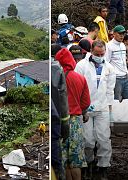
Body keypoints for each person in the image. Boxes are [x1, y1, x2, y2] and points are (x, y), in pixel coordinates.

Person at [75, 40, 116, 180]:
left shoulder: (109, 68)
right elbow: (77, 87)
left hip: (102, 107)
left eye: (102, 53)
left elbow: (110, 91)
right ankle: (88, 163)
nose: (99, 56)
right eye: (97, 53)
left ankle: (103, 165)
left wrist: (110, 112)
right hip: (86, 108)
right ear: (91, 51)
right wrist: (82, 107)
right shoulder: (81, 66)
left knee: (103, 138)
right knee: (87, 140)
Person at [55, 48, 91, 180]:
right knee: (75, 160)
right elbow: (86, 102)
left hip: (59, 122)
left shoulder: (56, 78)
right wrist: (81, 111)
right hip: (75, 122)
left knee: (63, 160)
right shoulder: (80, 78)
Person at [51, 44, 70, 180]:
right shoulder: (57, 69)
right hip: (55, 122)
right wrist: (65, 127)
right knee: (57, 163)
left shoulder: (56, 69)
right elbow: (63, 101)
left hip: (54, 121)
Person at [106, 25, 128, 101]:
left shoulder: (123, 45)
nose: (122, 36)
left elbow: (123, 62)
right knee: (116, 101)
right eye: (120, 34)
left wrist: (127, 74)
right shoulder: (109, 46)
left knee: (127, 101)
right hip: (116, 78)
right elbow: (106, 62)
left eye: (123, 34)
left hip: (125, 77)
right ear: (114, 34)